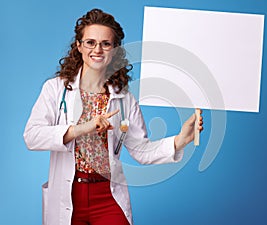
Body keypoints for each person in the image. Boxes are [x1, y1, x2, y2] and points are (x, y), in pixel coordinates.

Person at [23, 8, 203, 225]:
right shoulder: (55, 89)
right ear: (79, 46)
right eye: (90, 42)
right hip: (68, 193)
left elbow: (142, 151)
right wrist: (81, 128)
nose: (97, 49)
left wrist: (179, 140)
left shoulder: (124, 99)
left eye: (106, 44)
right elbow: (32, 136)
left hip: (107, 195)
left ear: (115, 51)